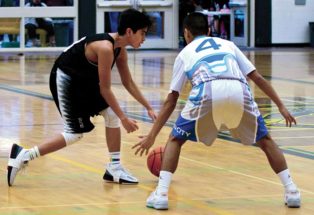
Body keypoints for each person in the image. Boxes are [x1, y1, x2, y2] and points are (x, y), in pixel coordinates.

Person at [133, 12, 301, 210]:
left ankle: (161, 194)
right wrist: (280, 105)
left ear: (186, 33)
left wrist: (152, 135)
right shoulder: (228, 44)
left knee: (175, 140)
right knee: (265, 141)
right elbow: (257, 78)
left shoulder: (184, 53)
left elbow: (171, 100)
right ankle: (292, 191)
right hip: (239, 88)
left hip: (207, 88)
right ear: (210, 30)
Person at [7, 8, 156, 186]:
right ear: (130, 31)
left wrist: (148, 106)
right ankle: (23, 155)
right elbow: (105, 89)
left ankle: (114, 168)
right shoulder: (106, 48)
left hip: (84, 80)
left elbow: (128, 82)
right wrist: (124, 118)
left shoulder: (120, 50)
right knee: (74, 133)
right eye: (143, 33)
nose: (144, 39)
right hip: (65, 77)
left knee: (111, 114)